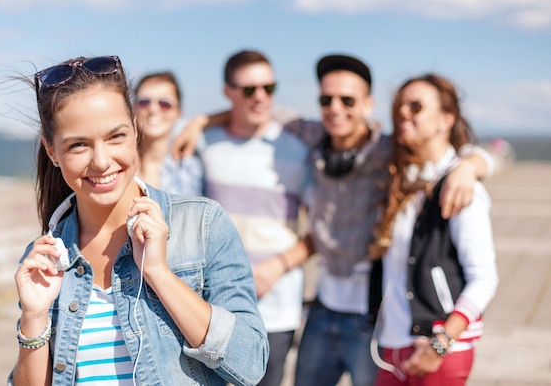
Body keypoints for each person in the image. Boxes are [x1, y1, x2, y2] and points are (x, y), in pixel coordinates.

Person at [172, 54, 494, 386]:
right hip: (322, 311)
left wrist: (471, 165)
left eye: (348, 100)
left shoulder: (390, 152)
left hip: (372, 320)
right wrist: (199, 122)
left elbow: (458, 154)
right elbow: (252, 109)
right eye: (327, 99)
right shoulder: (311, 136)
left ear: (368, 105)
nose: (335, 108)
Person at [7, 55, 268, 385]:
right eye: (78, 145)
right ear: (52, 151)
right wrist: (33, 317)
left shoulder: (202, 224)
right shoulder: (45, 259)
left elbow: (251, 363)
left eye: (115, 136)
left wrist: (159, 274)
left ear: (134, 128)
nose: (102, 161)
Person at [176, 50, 314, 386]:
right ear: (228, 92)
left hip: (276, 310)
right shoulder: (204, 144)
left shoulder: (296, 148)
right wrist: (200, 122)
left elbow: (325, 231)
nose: (262, 97)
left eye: (269, 87)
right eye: (249, 89)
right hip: (212, 310)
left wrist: (275, 268)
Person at [370, 73, 499, 385]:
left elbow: (485, 278)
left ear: (446, 119)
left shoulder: (461, 188)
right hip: (393, 348)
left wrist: (441, 344)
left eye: (415, 106)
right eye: (399, 106)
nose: (403, 113)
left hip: (438, 350)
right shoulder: (401, 179)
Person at [133, 71, 204, 196]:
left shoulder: (191, 166)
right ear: (133, 107)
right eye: (144, 102)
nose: (153, 109)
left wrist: (199, 121)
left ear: (178, 112)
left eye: (165, 104)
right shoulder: (119, 164)